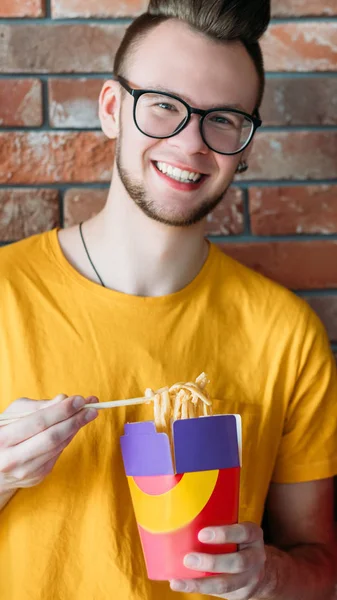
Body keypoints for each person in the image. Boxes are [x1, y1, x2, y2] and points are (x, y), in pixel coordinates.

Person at [0, 1, 336, 598]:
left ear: (246, 145)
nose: (191, 143)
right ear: (112, 110)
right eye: (164, 105)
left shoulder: (286, 333)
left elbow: (323, 570)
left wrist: (269, 576)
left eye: (225, 119)